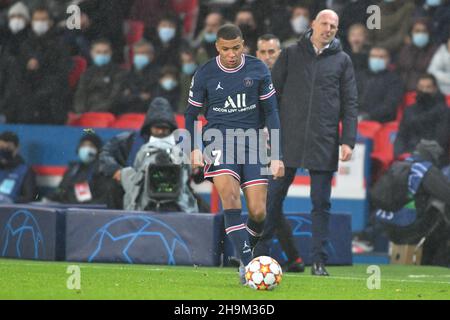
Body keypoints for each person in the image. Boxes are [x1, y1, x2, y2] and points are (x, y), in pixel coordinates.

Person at [253, 10, 358, 276]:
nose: (329, 28)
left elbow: (350, 103)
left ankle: (319, 262)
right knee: (274, 199)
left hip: (324, 139)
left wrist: (348, 141)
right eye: (324, 23)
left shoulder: (343, 61)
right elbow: (272, 94)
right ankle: (258, 256)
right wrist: (266, 127)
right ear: (313, 24)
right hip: (287, 138)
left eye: (334, 25)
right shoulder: (290, 53)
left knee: (320, 204)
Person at [185, 24, 284, 284]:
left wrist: (277, 154)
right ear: (217, 47)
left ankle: (243, 253)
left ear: (243, 45)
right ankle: (249, 264)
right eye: (226, 49)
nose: (231, 54)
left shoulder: (258, 69)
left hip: (252, 141)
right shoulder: (205, 72)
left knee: (259, 212)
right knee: (230, 198)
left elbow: (272, 113)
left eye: (236, 48)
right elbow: (191, 114)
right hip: (218, 139)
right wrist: (194, 147)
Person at [256, 33, 305, 272]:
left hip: (285, 152)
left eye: (272, 52)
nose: (267, 57)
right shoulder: (252, 80)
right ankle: (294, 258)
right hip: (259, 152)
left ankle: (256, 258)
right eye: (263, 52)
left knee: (269, 203)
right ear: (257, 54)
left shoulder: (293, 81)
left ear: (280, 53)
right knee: (272, 205)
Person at [11, 5, 71, 124]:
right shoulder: (25, 44)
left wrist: (41, 65)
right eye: (37, 20)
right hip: (28, 87)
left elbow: (62, 71)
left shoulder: (60, 44)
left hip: (50, 90)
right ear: (31, 22)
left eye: (43, 19)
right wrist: (27, 68)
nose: (40, 23)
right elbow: (17, 70)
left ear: (49, 22)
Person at [394, 74, 450, 158]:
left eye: (428, 87)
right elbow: (401, 136)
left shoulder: (444, 111)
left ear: (435, 89)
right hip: (408, 155)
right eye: (421, 87)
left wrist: (420, 154)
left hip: (433, 158)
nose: (424, 90)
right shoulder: (409, 110)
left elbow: (441, 140)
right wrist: (400, 154)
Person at [45, 132, 107, 204]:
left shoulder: (101, 170)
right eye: (83, 145)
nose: (86, 149)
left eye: (91, 146)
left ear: (98, 150)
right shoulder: (73, 169)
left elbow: (102, 198)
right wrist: (48, 199)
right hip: (67, 208)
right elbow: (61, 189)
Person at [73, 39, 126, 114]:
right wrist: (80, 112)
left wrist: (92, 112)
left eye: (105, 52)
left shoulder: (119, 72)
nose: (102, 55)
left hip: (108, 113)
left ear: (110, 53)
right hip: (86, 113)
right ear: (92, 53)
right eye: (98, 52)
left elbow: (114, 98)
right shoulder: (87, 73)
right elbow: (80, 94)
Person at [357, 46, 404, 123]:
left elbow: (389, 105)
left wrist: (368, 116)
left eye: (381, 57)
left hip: (379, 121)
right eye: (373, 56)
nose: (377, 60)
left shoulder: (394, 80)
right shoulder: (360, 76)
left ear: (388, 60)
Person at [114, 40, 160, 114]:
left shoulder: (158, 74)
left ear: (151, 55)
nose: (139, 56)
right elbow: (119, 98)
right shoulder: (126, 75)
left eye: (143, 53)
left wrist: (131, 95)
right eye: (137, 53)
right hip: (128, 113)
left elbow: (154, 99)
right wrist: (139, 96)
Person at [397, 19, 439, 92]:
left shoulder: (436, 51)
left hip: (424, 90)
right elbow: (400, 68)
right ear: (411, 33)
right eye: (417, 31)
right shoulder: (405, 49)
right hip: (402, 90)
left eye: (424, 31)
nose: (420, 34)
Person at [0, 131, 37, 203]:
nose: (3, 151)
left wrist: (11, 201)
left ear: (17, 148)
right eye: (1, 148)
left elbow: (29, 198)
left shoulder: (25, 171)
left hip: (10, 210)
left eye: (7, 148)